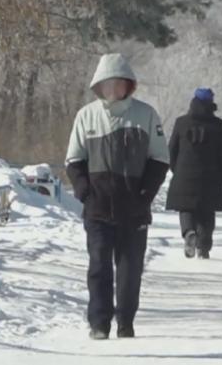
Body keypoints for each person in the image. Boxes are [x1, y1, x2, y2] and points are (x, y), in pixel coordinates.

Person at [65, 53, 169, 340]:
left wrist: (145, 194)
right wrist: (85, 192)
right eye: (107, 84)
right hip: (97, 209)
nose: (113, 89)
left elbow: (160, 159)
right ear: (99, 86)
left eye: (118, 83)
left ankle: (125, 321)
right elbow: (73, 161)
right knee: (99, 265)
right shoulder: (86, 116)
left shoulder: (146, 115)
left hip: (134, 208)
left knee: (130, 268)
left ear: (128, 85)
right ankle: (99, 323)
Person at [166, 88, 222, 260]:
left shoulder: (181, 123)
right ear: (211, 103)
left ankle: (189, 232)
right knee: (207, 212)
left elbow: (171, 151)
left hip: (184, 175)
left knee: (186, 209)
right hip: (211, 178)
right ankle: (203, 248)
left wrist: (177, 170)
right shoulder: (218, 125)